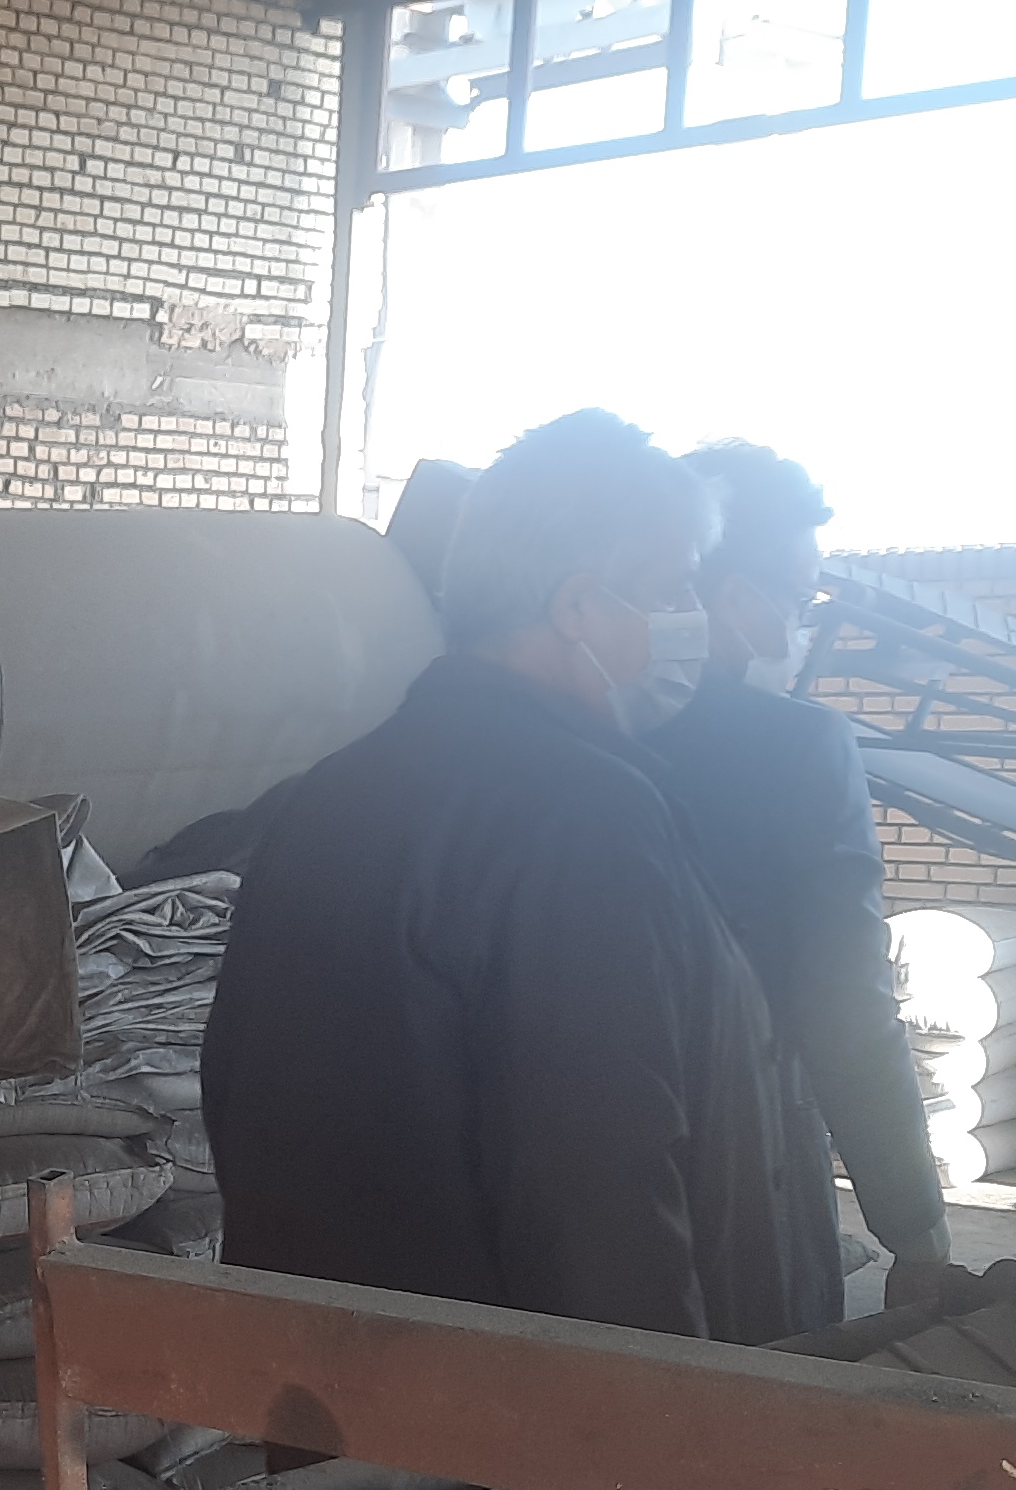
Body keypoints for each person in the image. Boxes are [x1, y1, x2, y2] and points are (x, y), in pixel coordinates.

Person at [199, 407, 798, 1344]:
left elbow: (236, 1092)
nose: (694, 623)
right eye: (672, 588)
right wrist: (660, 1414)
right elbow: (601, 1182)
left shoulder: (329, 794)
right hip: (509, 1409)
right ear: (576, 607)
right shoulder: (587, 817)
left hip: (329, 1378)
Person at [639, 442, 960, 1321]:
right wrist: (915, 1224)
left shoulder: (565, 737)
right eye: (800, 599)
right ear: (737, 599)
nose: (800, 628)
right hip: (741, 1180)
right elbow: (845, 1008)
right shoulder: (796, 747)